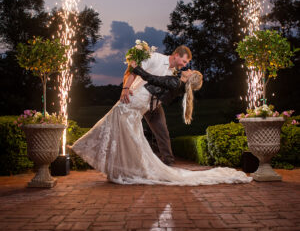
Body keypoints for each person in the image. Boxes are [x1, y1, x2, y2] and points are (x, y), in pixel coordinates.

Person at [71, 51, 252, 185]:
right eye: (187, 65)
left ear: (189, 79)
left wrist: (136, 67)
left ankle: (94, 152)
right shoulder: (177, 82)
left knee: (120, 125)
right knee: (126, 131)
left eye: (190, 71)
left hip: (139, 100)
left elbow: (152, 78)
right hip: (142, 101)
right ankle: (123, 169)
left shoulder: (175, 81)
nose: (187, 69)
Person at [120, 45, 192, 166]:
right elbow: (132, 71)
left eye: (186, 63)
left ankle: (168, 163)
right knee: (129, 130)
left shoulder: (173, 73)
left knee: (163, 132)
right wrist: (126, 88)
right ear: (176, 55)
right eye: (184, 61)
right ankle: (130, 162)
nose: (185, 65)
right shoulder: (155, 58)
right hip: (138, 99)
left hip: (154, 106)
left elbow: (160, 84)